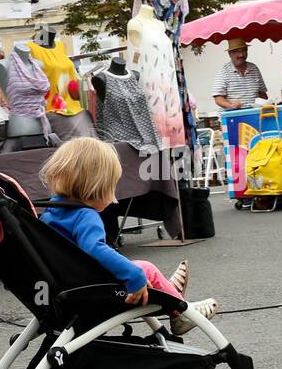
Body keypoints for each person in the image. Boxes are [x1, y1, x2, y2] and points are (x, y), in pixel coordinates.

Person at [38, 137, 218, 336]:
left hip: (66, 284)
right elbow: (95, 249)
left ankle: (166, 290)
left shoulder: (51, 214)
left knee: (139, 269)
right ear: (98, 187)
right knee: (145, 269)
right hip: (91, 288)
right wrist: (134, 276)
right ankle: (180, 312)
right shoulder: (85, 216)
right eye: (112, 186)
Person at [212, 38, 268, 111]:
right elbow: (218, 98)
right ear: (229, 54)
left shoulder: (254, 68)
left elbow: (262, 93)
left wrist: (267, 104)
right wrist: (231, 105)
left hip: (255, 114)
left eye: (243, 51)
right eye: (236, 52)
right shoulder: (224, 72)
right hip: (234, 116)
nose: (241, 55)